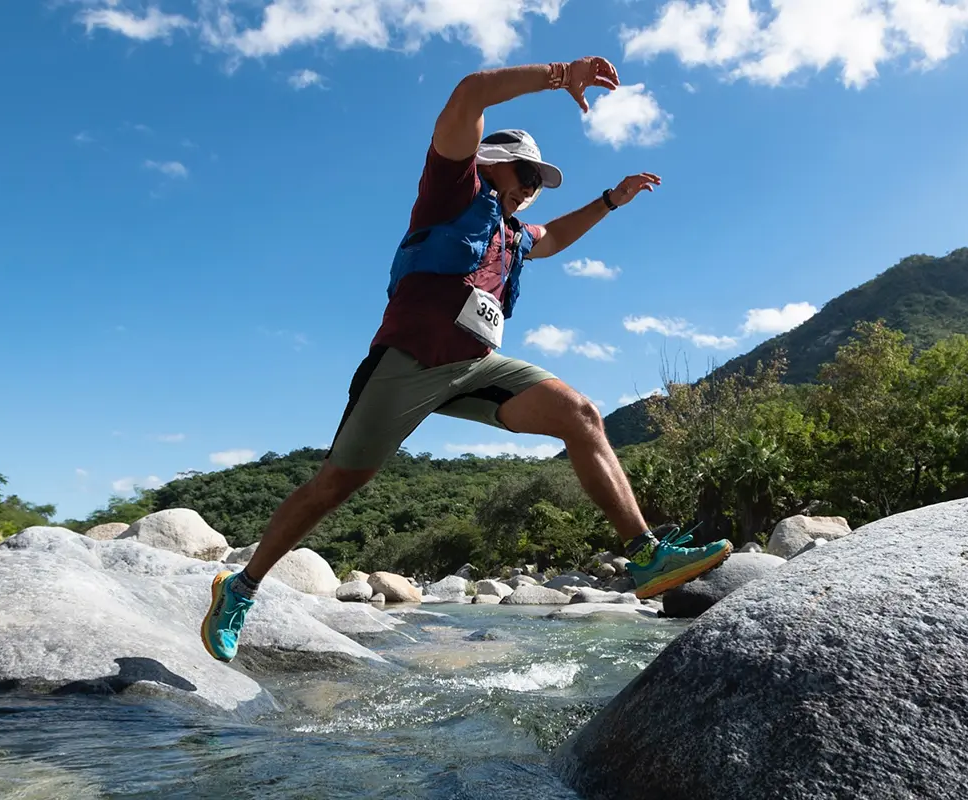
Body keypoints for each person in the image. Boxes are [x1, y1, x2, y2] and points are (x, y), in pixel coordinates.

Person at [200, 55, 731, 662]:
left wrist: (611, 200)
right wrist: (562, 74)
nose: (530, 188)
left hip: (475, 366)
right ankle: (240, 586)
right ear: (490, 163)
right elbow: (470, 93)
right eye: (525, 174)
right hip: (409, 363)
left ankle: (646, 555)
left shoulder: (514, 234)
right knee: (337, 484)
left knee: (580, 414)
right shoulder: (451, 190)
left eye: (537, 183)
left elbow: (555, 236)